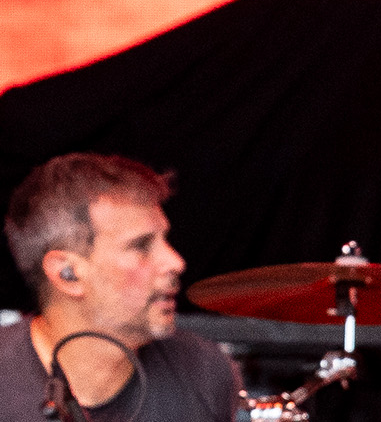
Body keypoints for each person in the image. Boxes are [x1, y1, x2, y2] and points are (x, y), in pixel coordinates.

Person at [1, 153, 239, 422]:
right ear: (67, 274)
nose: (176, 262)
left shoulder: (205, 370)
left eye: (165, 240)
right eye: (140, 246)